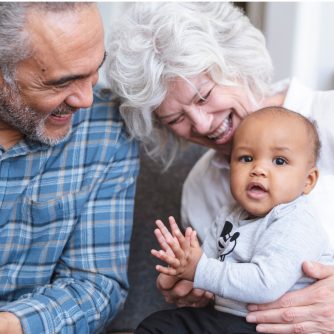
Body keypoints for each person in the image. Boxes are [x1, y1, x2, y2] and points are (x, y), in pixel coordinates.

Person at [106, 2, 334, 333]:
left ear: (236, 63)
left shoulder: (328, 116)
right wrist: (194, 285)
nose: (201, 123)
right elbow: (221, 285)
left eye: (203, 96)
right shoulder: (200, 187)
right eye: (176, 119)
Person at [0, 3, 139, 334]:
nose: (86, 99)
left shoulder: (105, 127)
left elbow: (94, 285)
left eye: (94, 72)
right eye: (61, 83)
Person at [136, 106, 332, 333]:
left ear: (308, 181)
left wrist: (199, 270)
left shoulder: (298, 222)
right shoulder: (229, 214)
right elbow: (206, 265)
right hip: (225, 317)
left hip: (271, 325)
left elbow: (265, 284)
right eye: (246, 158)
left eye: (279, 161)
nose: (258, 169)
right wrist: (183, 269)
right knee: (158, 326)